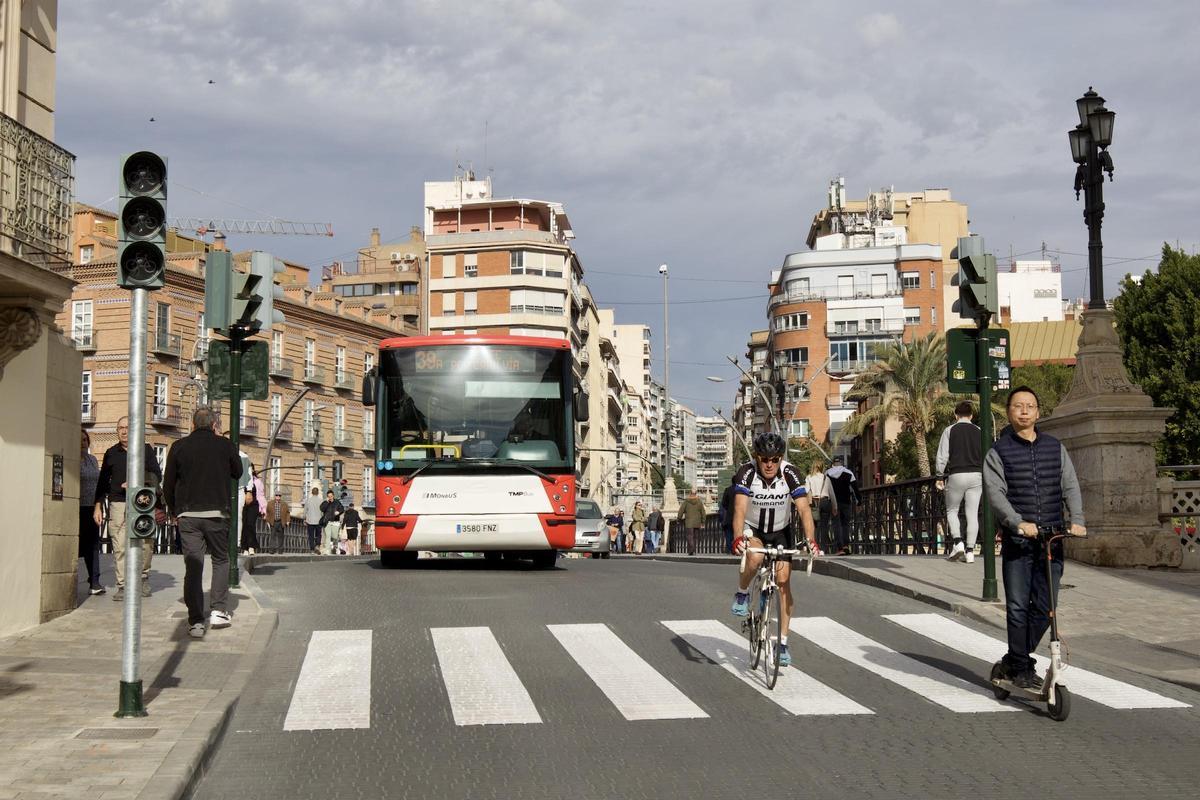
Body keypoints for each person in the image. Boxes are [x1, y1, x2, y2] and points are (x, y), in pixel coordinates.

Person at [984, 386, 1086, 690]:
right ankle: (1021, 666)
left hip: (1052, 539)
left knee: (1045, 607)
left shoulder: (1055, 447)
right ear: (1009, 412)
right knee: (1017, 606)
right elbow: (995, 494)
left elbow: (1070, 485)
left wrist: (1077, 520)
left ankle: (1016, 660)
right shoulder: (998, 452)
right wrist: (1017, 522)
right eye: (1018, 406)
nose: (1024, 410)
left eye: (1030, 406)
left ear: (1038, 412)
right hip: (1019, 543)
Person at [729, 432, 817, 668]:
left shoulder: (791, 473)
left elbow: (804, 510)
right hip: (754, 528)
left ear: (780, 458)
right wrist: (738, 538)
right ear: (757, 457)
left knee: (783, 581)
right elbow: (738, 509)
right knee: (755, 557)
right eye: (764, 459)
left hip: (781, 530)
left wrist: (811, 541)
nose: (769, 464)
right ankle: (742, 591)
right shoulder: (746, 473)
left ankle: (784, 643)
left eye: (775, 459)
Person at [163, 407, 243, 639]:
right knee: (220, 559)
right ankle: (218, 610)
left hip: (188, 515)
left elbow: (168, 484)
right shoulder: (224, 445)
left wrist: (173, 510)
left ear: (192, 425)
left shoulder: (178, 447)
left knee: (193, 565)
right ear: (214, 425)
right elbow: (237, 472)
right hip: (217, 514)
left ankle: (196, 621)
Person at [94, 416, 162, 600]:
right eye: (120, 428)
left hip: (141, 501)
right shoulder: (111, 453)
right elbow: (102, 482)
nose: (124, 431)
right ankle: (123, 585)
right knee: (120, 545)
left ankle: (143, 578)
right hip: (118, 502)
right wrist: (98, 505)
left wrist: (136, 481)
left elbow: (157, 475)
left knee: (146, 542)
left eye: (127, 427)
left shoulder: (145, 450)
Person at [937, 400, 984, 564]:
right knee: (972, 514)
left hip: (957, 474)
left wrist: (939, 476)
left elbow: (943, 456)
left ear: (955, 415)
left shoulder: (949, 430)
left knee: (952, 510)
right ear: (971, 416)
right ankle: (970, 551)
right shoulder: (979, 431)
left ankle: (958, 543)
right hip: (977, 476)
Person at [79, 429, 104, 595]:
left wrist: (98, 505)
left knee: (93, 546)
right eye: (79, 440)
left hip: (91, 508)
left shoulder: (93, 460)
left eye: (85, 440)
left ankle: (94, 581)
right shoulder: (70, 459)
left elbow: (99, 484)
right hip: (75, 507)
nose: (82, 443)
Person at [824, 456, 859, 555]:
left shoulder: (827, 474)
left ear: (833, 464)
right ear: (842, 463)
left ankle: (839, 547)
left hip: (833, 502)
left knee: (836, 525)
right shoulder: (848, 473)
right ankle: (846, 545)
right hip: (846, 502)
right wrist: (859, 502)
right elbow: (855, 488)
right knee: (846, 524)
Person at [804, 462, 835, 555]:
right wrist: (835, 506)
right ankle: (823, 548)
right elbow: (831, 493)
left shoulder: (809, 477)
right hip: (825, 502)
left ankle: (815, 548)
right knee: (824, 527)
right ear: (822, 468)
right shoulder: (826, 478)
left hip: (814, 502)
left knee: (814, 527)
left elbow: (806, 490)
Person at [677, 488, 706, 556]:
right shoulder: (699, 502)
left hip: (689, 522)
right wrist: (703, 522)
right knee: (695, 537)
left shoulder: (686, 501)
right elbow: (703, 512)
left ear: (690, 493)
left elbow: (681, 511)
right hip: (697, 522)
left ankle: (691, 549)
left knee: (689, 536)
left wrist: (679, 519)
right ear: (696, 493)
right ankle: (693, 550)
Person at [320, 490, 344, 555]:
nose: (330, 497)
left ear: (333, 496)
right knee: (328, 536)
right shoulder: (325, 502)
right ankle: (327, 550)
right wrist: (326, 502)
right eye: (328, 496)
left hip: (335, 522)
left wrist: (338, 512)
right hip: (327, 521)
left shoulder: (337, 502)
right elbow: (322, 509)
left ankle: (335, 547)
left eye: (331, 496)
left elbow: (342, 508)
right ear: (327, 497)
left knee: (335, 536)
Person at [304, 486, 323, 554]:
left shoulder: (308, 500)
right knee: (319, 534)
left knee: (311, 536)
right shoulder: (321, 501)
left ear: (312, 493)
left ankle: (312, 549)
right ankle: (317, 545)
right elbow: (322, 511)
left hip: (310, 520)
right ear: (318, 493)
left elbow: (305, 511)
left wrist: (304, 518)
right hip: (319, 521)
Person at [718, 483, 736, 554]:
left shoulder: (728, 490)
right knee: (738, 533)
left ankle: (729, 549)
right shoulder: (744, 489)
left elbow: (724, 504)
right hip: (740, 517)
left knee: (728, 534)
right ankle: (736, 549)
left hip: (728, 517)